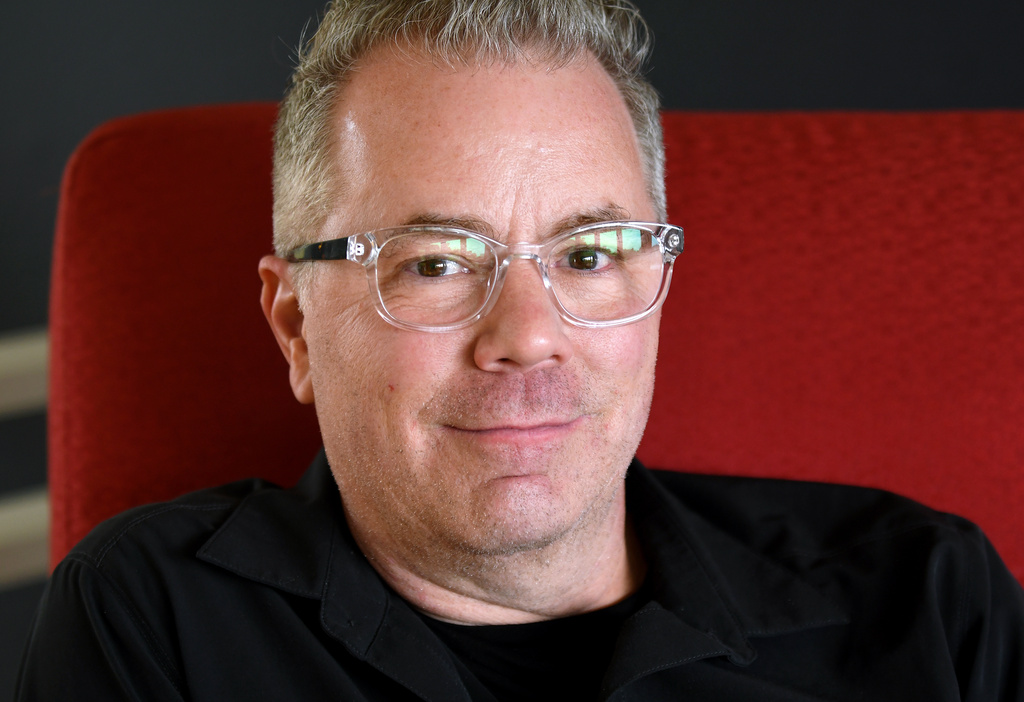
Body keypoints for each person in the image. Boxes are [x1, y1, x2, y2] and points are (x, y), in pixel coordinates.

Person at [17, 1, 1024, 699]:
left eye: (588, 255)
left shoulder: (926, 604)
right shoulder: (153, 625)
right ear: (296, 328)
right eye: (435, 263)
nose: (529, 335)